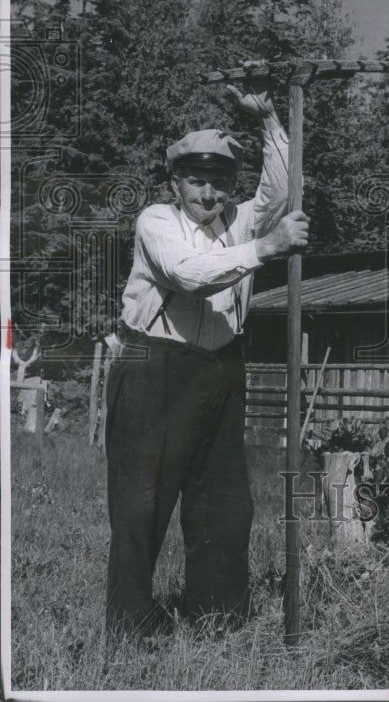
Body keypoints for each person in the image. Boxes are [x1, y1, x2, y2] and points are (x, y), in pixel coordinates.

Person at [105, 84, 308, 637]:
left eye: (220, 181)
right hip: (154, 369)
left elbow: (284, 185)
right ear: (176, 184)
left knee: (223, 504)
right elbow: (189, 276)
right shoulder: (156, 222)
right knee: (142, 503)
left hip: (220, 367)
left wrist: (269, 118)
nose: (209, 193)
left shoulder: (239, 221)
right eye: (197, 181)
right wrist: (268, 248)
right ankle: (131, 629)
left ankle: (218, 620)